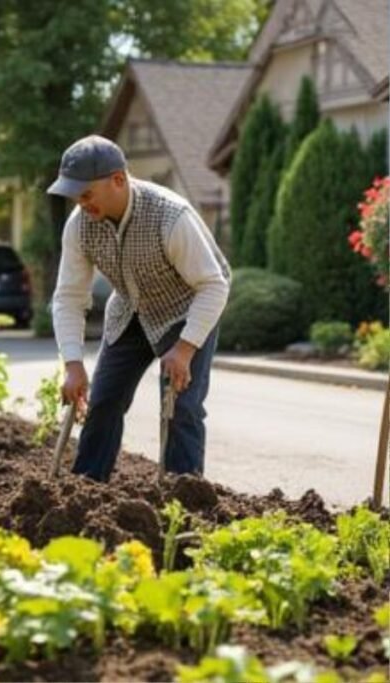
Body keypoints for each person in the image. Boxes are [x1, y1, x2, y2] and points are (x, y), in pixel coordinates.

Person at [47, 135, 231, 482]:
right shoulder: (80, 226)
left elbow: (213, 285)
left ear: (118, 180)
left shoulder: (170, 216)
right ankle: (84, 488)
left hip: (186, 309)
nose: (80, 204)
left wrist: (185, 348)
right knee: (103, 401)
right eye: (75, 196)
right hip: (130, 309)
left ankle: (183, 499)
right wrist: (72, 365)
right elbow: (69, 297)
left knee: (182, 407)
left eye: (86, 194)